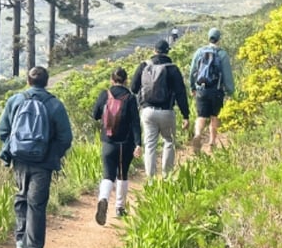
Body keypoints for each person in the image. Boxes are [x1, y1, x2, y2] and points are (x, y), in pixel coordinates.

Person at [0, 66, 73, 248]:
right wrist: (51, 153)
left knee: (21, 197)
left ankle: (21, 240)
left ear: (28, 81)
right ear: (47, 82)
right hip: (43, 163)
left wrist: (14, 148)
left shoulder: (15, 101)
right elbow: (66, 138)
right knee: (36, 204)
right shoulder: (55, 104)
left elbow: (2, 130)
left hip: (19, 160)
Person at [131, 39, 190, 180]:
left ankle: (150, 179)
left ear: (154, 50)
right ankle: (167, 176)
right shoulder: (172, 69)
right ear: (167, 51)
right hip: (167, 112)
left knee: (150, 144)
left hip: (147, 111)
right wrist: (186, 115)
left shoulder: (144, 66)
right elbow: (181, 93)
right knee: (169, 142)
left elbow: (133, 88)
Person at [91, 67, 140, 223]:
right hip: (125, 144)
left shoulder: (104, 95)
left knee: (108, 174)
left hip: (108, 142)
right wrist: (138, 143)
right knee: (122, 174)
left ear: (111, 80)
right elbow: (135, 123)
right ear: (126, 80)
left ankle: (103, 198)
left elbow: (95, 115)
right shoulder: (130, 98)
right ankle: (120, 208)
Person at [189, 28, 236, 153]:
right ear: (219, 39)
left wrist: (192, 87)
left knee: (201, 116)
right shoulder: (222, 54)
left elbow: (193, 71)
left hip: (201, 90)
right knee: (214, 116)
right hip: (216, 91)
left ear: (208, 37)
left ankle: (198, 134)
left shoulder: (199, 52)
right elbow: (227, 75)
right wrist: (230, 91)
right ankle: (212, 142)